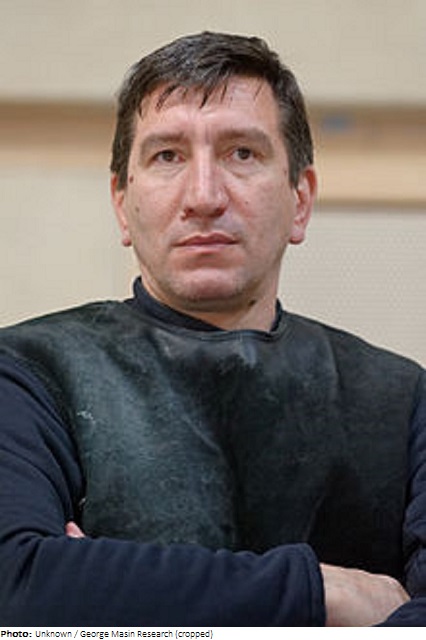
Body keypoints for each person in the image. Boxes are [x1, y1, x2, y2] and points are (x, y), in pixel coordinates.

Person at [0, 31, 425, 627]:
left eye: (242, 153)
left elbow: (58, 597)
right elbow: (17, 587)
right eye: (167, 156)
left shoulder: (401, 399)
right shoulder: (27, 374)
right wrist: (322, 592)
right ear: (122, 204)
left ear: (300, 200)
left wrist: (113, 587)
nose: (203, 196)